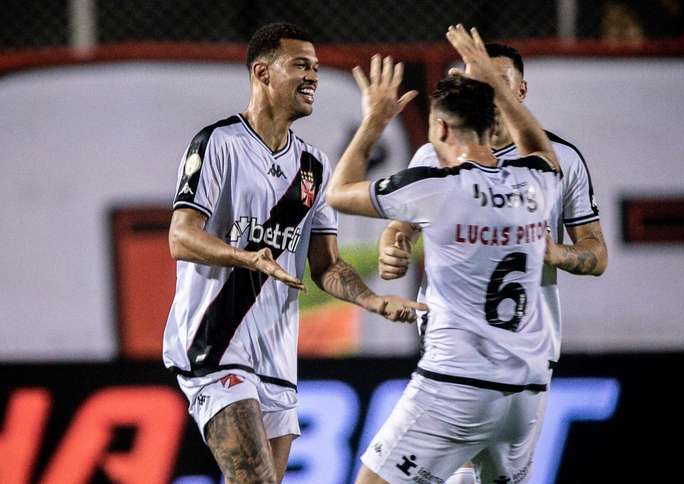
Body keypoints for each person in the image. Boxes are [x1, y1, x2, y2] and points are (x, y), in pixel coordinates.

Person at [161, 22, 424, 484]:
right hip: (217, 344)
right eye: (301, 65)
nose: (314, 77)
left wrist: (375, 301)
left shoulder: (313, 166)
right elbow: (181, 237)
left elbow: (328, 266)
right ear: (262, 73)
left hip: (277, 359)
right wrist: (247, 257)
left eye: (317, 68)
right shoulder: (218, 143)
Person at [326, 24, 563, 483]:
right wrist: (497, 87)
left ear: (438, 126)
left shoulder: (438, 186)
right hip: (525, 392)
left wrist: (375, 120)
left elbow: (339, 192)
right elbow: (538, 148)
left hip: (456, 386)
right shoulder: (537, 181)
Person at [378, 40, 608, 484]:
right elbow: (403, 225)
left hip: (525, 352)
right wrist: (394, 244)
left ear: (520, 91)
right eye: (473, 79)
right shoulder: (435, 154)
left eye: (494, 80)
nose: (482, 89)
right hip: (455, 348)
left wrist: (557, 252)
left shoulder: (559, 163)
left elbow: (596, 253)